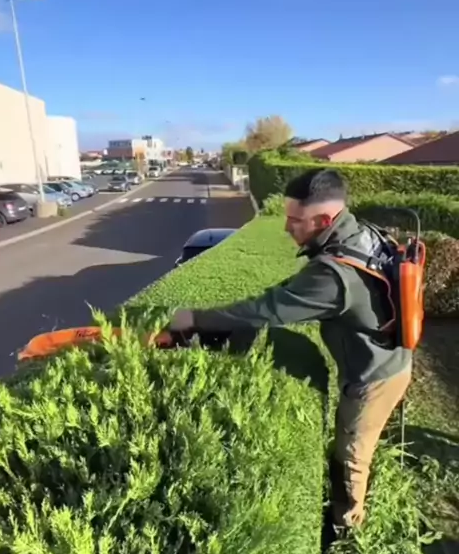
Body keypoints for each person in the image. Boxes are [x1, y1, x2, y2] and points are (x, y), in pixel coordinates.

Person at [168, 168, 412, 527]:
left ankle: (348, 527)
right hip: (392, 356)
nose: (286, 228)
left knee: (350, 458)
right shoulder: (360, 233)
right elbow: (296, 289)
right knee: (357, 442)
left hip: (374, 377)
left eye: (295, 220)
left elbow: (269, 310)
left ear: (324, 220)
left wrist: (195, 318)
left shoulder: (334, 276)